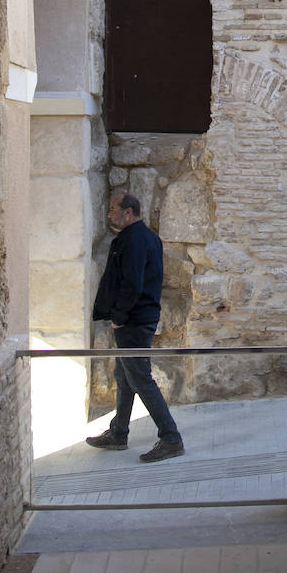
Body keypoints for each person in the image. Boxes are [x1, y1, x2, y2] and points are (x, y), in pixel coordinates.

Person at [86, 192, 184, 462]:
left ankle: (171, 437)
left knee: (140, 378)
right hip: (137, 319)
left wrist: (118, 316)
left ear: (128, 212)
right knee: (124, 375)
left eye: (113, 209)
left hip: (133, 321)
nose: (109, 214)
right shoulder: (145, 237)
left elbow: (132, 283)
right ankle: (118, 432)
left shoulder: (134, 240)